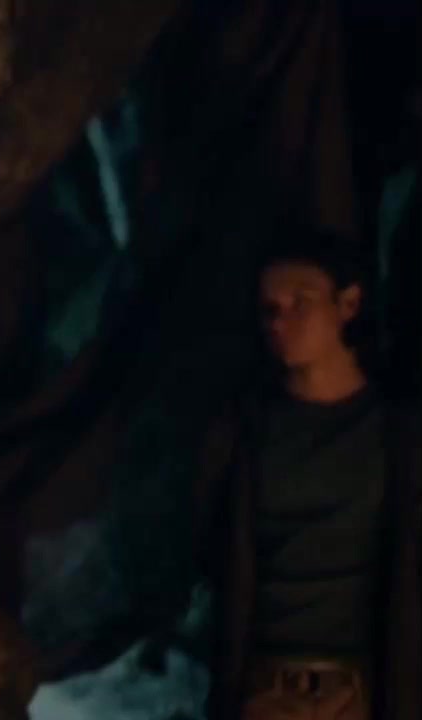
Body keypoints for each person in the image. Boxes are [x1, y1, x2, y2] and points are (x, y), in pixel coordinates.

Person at [195, 230, 419, 720]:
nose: (281, 321)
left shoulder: (396, 431)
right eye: (270, 309)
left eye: (301, 302)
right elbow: (213, 553)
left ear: (348, 304)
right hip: (265, 690)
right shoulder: (244, 431)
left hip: (359, 693)